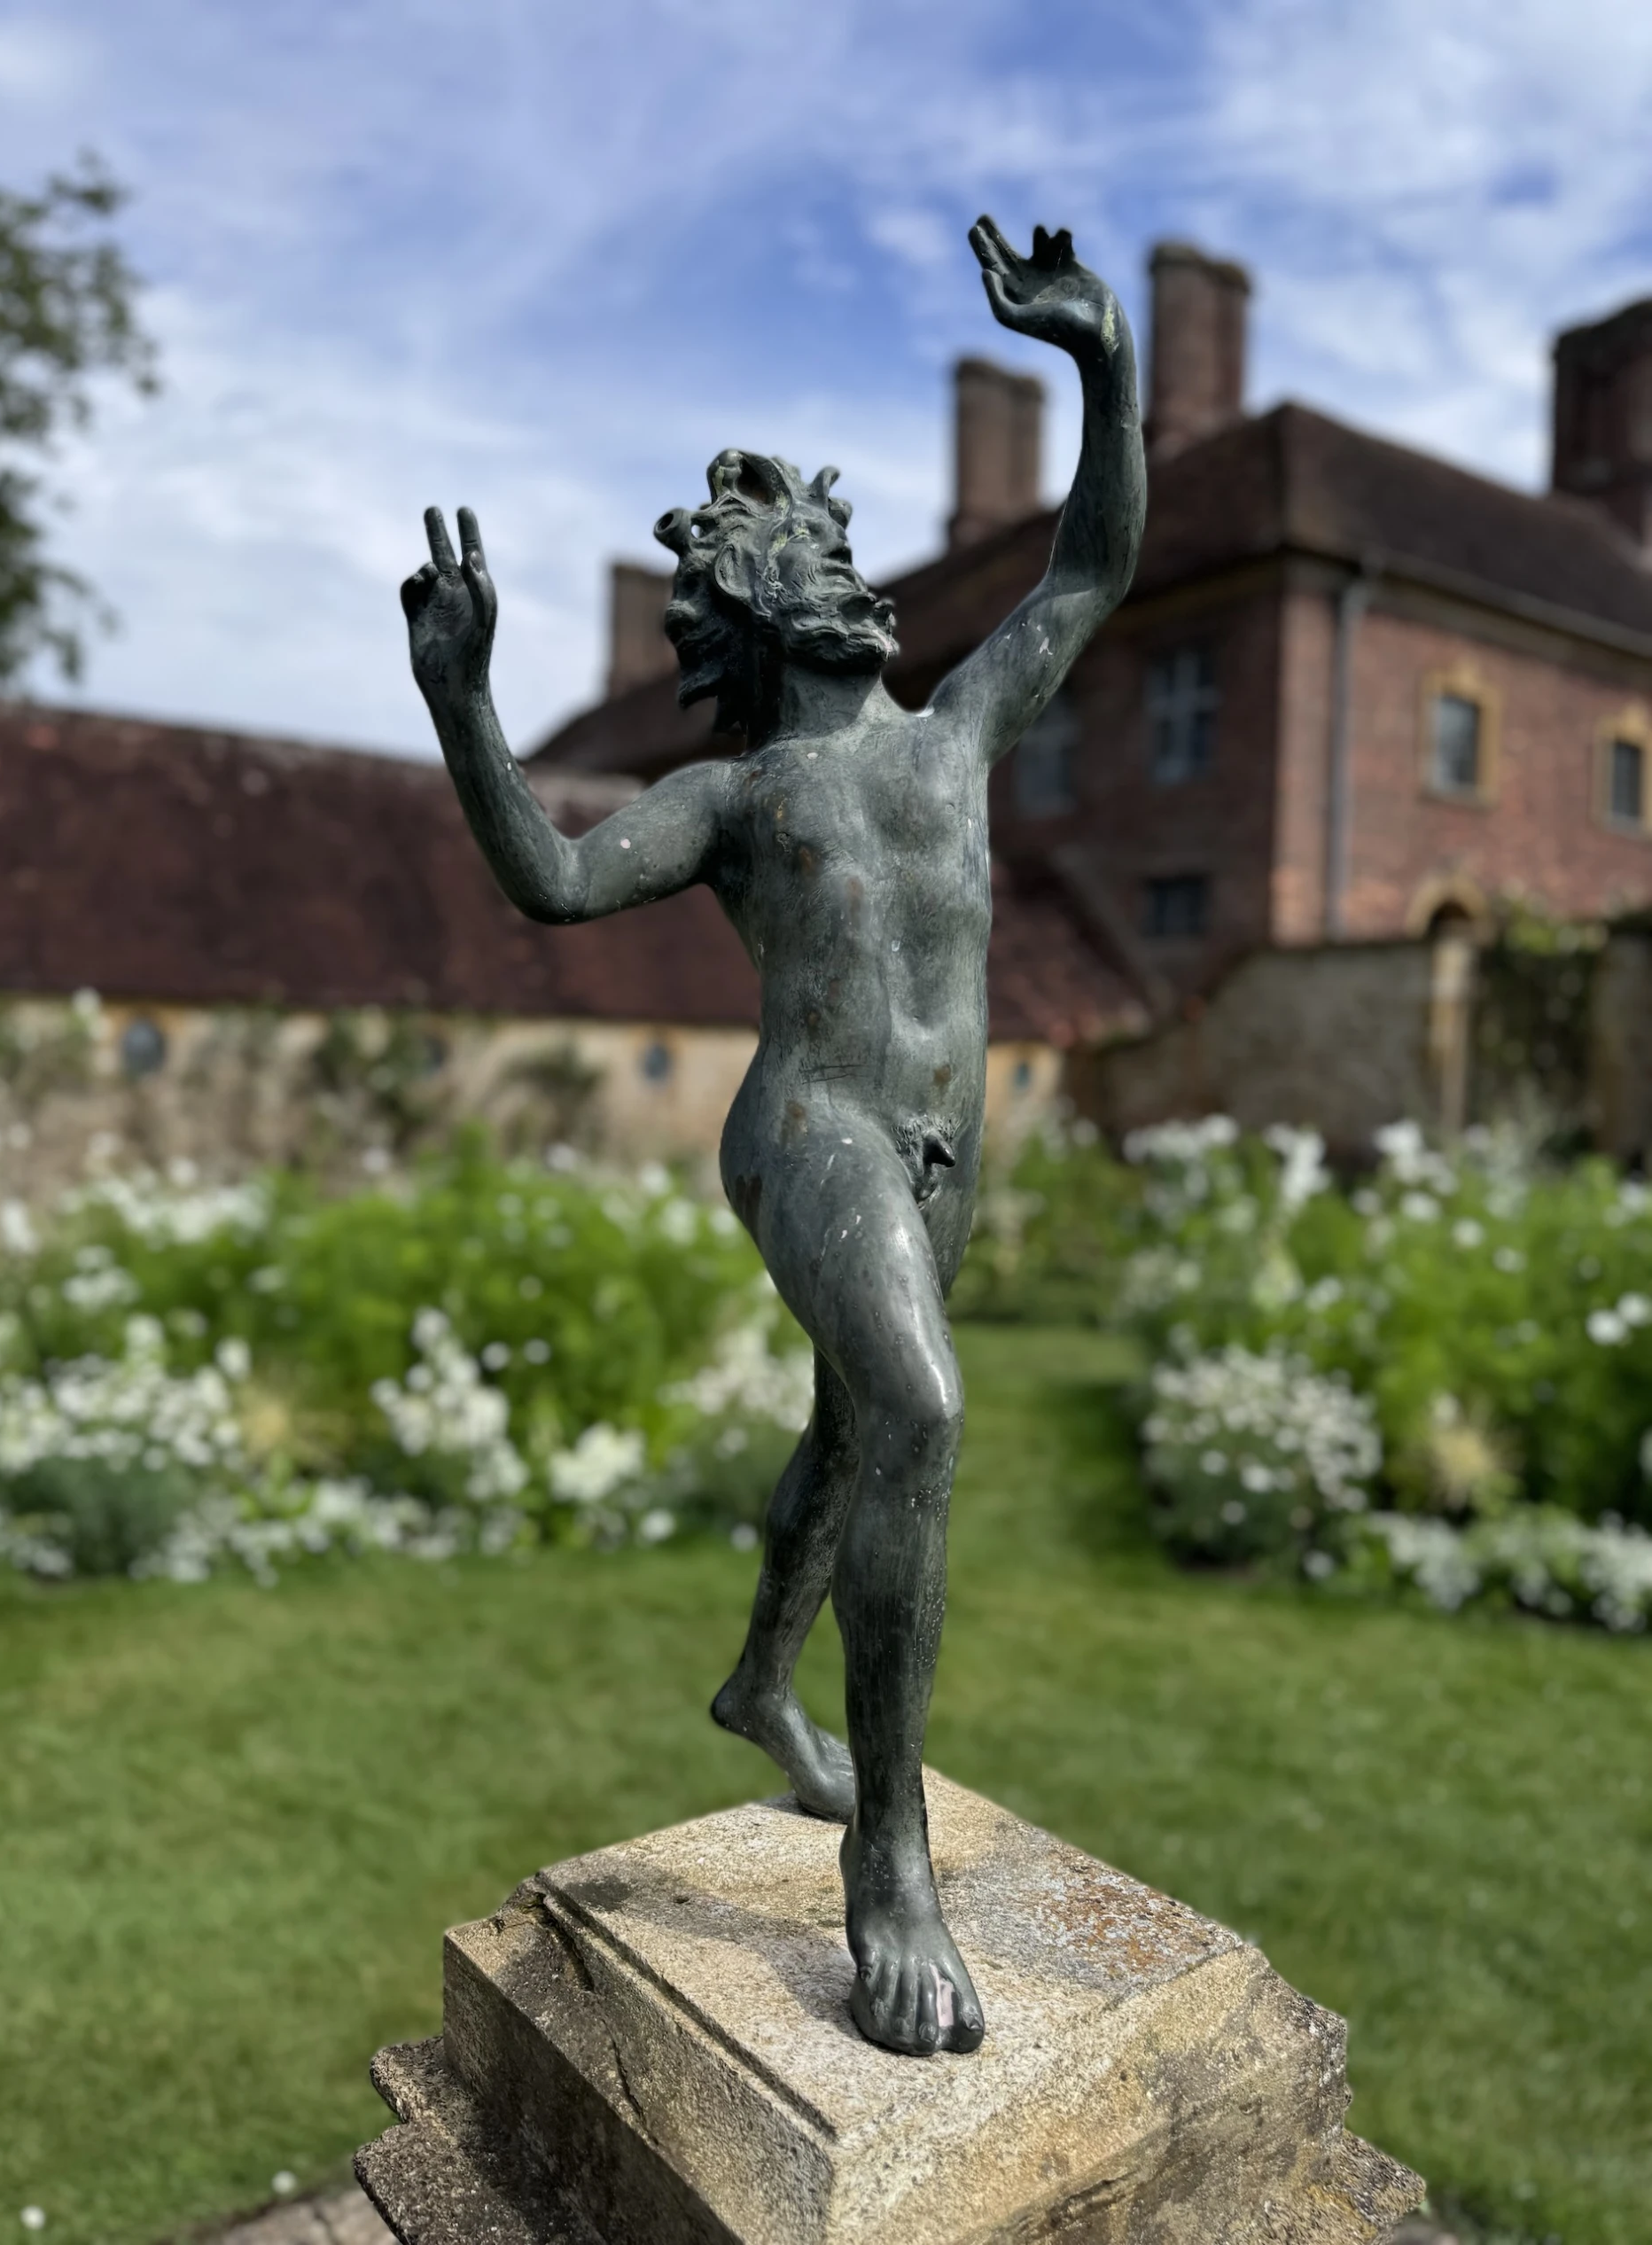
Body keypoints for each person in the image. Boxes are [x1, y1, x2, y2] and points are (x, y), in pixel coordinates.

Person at [401, 216, 1145, 2055]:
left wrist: (1104, 361)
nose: (844, 575)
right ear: (752, 608)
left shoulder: (957, 731)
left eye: (837, 549)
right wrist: (465, 703)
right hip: (807, 1134)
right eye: (805, 557)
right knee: (922, 1412)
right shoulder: (734, 796)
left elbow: (1090, 567)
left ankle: (758, 1686)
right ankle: (890, 1858)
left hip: (936, 1149)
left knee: (853, 1434)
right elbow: (555, 879)